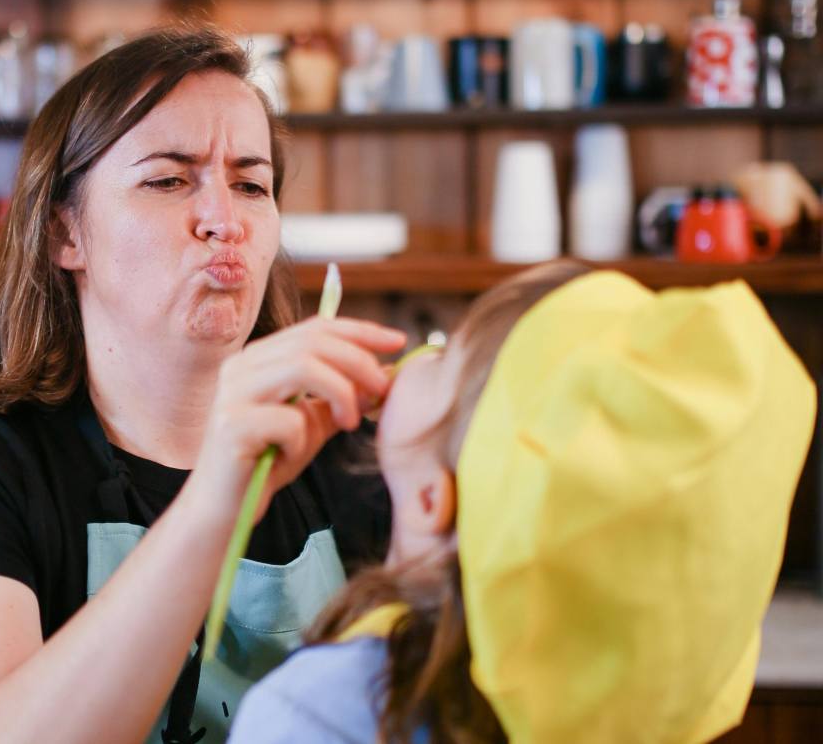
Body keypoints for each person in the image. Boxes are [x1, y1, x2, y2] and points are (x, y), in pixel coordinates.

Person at [0, 26, 407, 743]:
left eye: (252, 184)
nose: (225, 221)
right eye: (167, 179)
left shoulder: (357, 455)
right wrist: (214, 498)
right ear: (64, 233)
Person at [228, 261, 817, 743]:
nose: (420, 356)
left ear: (435, 497)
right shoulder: (620, 710)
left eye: (446, 359)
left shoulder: (317, 714)